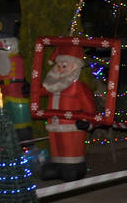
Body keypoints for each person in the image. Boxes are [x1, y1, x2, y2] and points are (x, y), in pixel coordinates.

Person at [40, 45, 96, 181]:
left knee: (69, 148)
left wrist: (88, 124)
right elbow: (39, 93)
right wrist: (31, 88)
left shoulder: (79, 88)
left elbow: (90, 109)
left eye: (64, 66)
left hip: (71, 126)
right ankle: (57, 166)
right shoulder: (53, 86)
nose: (59, 69)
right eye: (58, 65)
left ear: (74, 67)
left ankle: (74, 168)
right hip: (54, 124)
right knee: (56, 146)